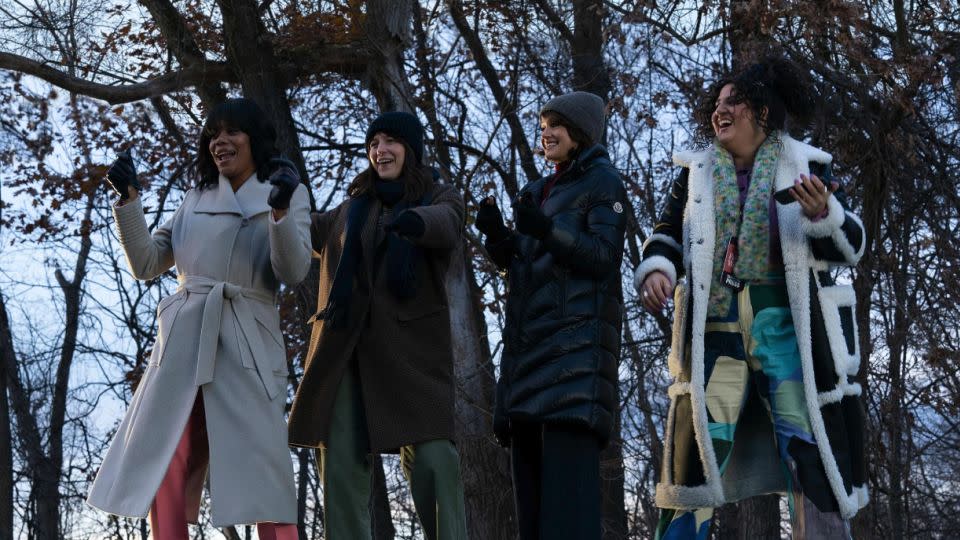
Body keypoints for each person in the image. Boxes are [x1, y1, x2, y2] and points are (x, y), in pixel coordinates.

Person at [633, 57, 869, 539]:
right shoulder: (694, 174)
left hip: (784, 329)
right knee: (696, 457)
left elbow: (852, 246)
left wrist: (825, 213)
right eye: (716, 104)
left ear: (762, 112)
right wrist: (657, 270)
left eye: (732, 102)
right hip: (715, 335)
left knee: (808, 450)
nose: (720, 111)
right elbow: (665, 236)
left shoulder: (808, 165)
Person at [87, 98, 311, 539]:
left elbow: (293, 271)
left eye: (232, 132)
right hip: (185, 341)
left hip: (246, 340)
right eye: (214, 134)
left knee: (265, 474)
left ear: (255, 139)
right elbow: (147, 263)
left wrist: (281, 211)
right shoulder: (195, 197)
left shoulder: (283, 193)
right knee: (165, 457)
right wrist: (128, 202)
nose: (220, 142)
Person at [287, 111, 468, 540]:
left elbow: (448, 223)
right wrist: (280, 200)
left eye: (391, 141)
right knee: (341, 464)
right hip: (345, 350)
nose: (380, 150)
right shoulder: (352, 208)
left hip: (413, 352)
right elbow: (301, 233)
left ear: (411, 150)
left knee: (434, 460)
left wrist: (416, 221)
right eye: (373, 143)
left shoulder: (438, 196)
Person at [474, 91, 627, 540]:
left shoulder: (603, 182)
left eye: (555, 125)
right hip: (526, 370)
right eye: (542, 125)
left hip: (573, 370)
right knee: (534, 524)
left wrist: (545, 229)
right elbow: (528, 264)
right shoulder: (538, 191)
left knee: (568, 522)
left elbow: (602, 256)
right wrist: (500, 238)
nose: (546, 133)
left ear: (580, 133)